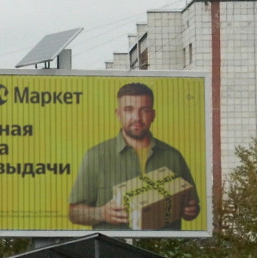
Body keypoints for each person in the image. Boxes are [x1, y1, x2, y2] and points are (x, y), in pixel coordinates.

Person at [69, 82, 200, 230]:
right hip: (115, 249)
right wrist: (102, 213)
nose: (136, 117)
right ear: (118, 114)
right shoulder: (96, 156)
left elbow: (193, 208)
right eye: (129, 110)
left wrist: (190, 211)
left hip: (162, 249)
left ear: (153, 115)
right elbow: (74, 213)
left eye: (144, 110)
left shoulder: (173, 156)